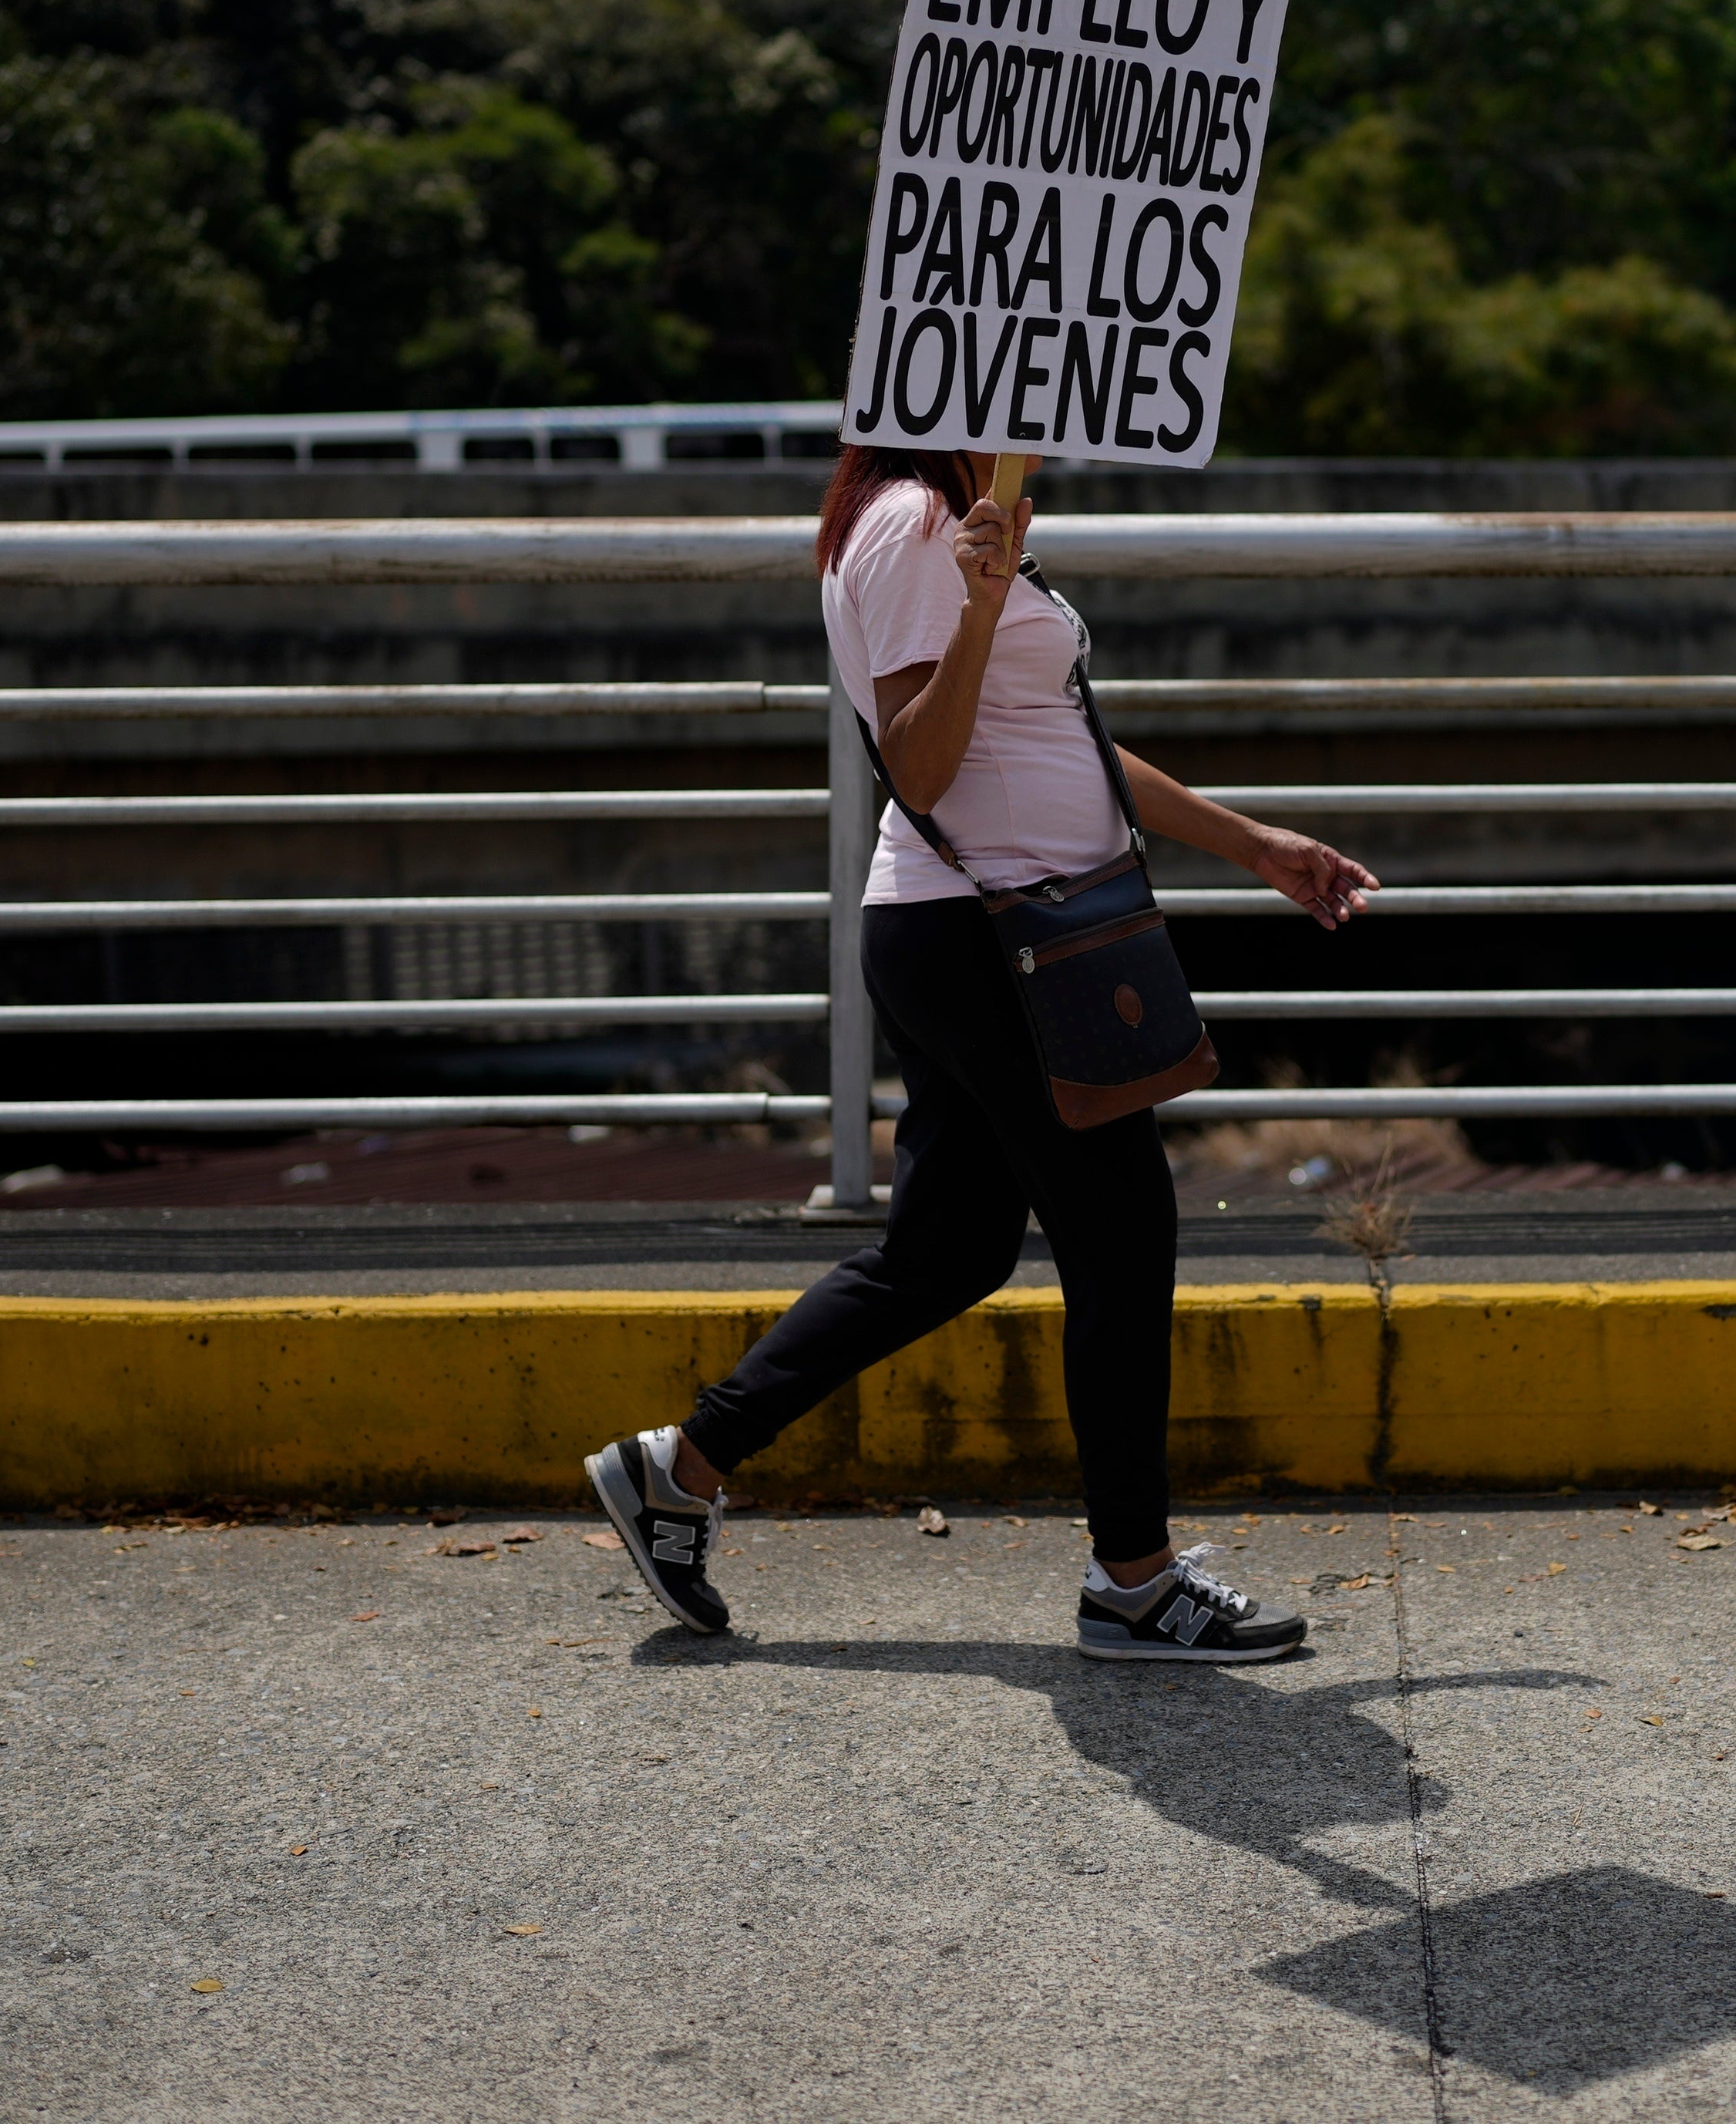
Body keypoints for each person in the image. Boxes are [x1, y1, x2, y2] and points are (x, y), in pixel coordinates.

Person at [589, 446, 1378, 1661]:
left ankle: (678, 1468)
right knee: (1121, 1230)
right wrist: (977, 602)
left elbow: (1049, 735)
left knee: (943, 1252)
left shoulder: (956, 514)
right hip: (991, 938)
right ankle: (1133, 1579)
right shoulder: (914, 523)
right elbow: (919, 760)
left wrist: (1250, 842)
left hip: (986, 933)